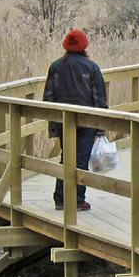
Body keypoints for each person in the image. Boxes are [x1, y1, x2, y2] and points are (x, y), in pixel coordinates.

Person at [43, 28, 108, 211]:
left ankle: (61, 199)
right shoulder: (91, 68)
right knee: (81, 161)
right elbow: (99, 99)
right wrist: (101, 127)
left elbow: (48, 97)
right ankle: (78, 199)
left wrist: (53, 125)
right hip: (86, 121)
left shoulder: (56, 67)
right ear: (84, 46)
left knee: (66, 157)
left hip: (63, 120)